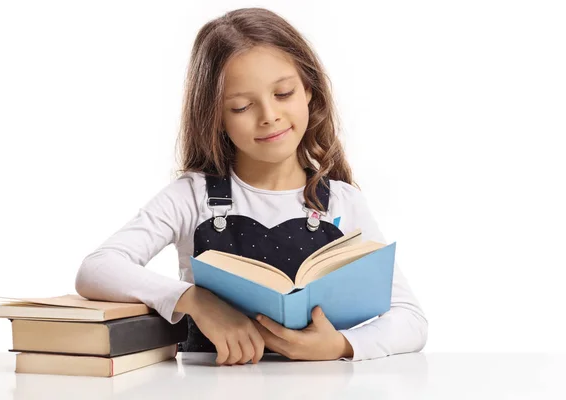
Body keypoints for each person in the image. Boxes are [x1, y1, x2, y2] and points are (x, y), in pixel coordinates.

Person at [74, 7, 428, 366]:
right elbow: (98, 267)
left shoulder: (342, 202)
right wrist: (193, 299)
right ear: (215, 117)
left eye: (284, 93)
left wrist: (340, 345)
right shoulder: (192, 196)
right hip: (210, 386)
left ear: (308, 89)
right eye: (242, 107)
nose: (269, 116)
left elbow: (410, 320)